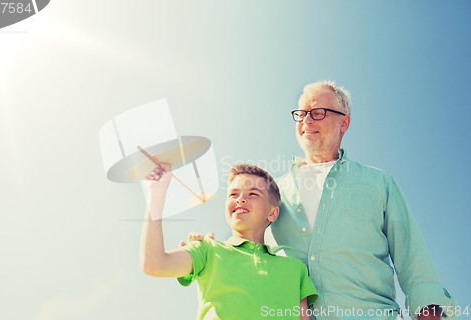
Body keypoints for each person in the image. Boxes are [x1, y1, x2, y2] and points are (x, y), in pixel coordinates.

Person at [185, 81, 457, 320]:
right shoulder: (272, 191)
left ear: (344, 122)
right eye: (301, 114)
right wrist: (208, 249)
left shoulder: (379, 183)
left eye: (317, 113)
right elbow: (247, 246)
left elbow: (413, 261)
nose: (306, 121)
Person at [140, 163, 319, 319]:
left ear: (272, 213)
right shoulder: (207, 249)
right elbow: (154, 263)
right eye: (233, 194)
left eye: (253, 194)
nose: (240, 198)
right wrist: (156, 194)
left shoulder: (296, 270)